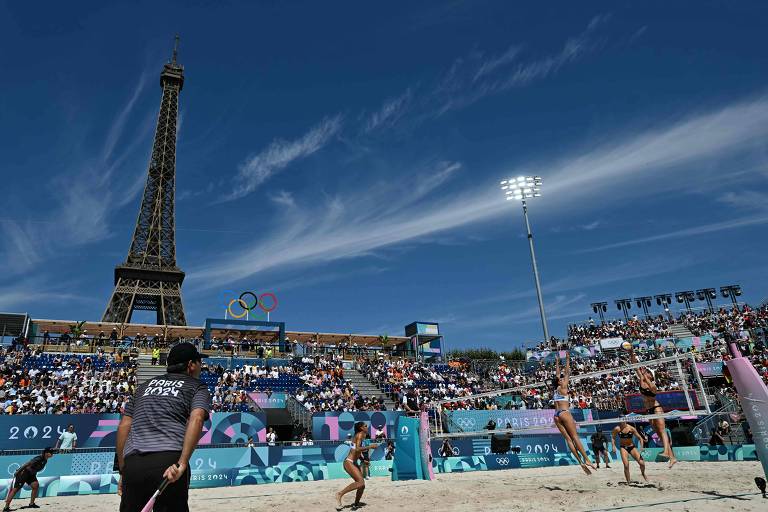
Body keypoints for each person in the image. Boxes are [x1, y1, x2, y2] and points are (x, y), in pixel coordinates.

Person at [116, 342, 211, 512]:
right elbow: (196, 419)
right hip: (169, 463)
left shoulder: (143, 387)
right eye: (199, 362)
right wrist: (182, 463)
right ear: (191, 365)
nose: (201, 367)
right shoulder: (197, 386)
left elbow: (124, 425)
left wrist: (123, 470)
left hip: (134, 462)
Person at [630, 348, 677, 467]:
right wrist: (631, 353)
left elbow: (652, 388)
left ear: (651, 376)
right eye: (645, 372)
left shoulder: (653, 385)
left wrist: (646, 375)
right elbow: (635, 365)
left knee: (662, 431)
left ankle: (666, 452)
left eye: (648, 372)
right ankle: (672, 458)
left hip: (656, 408)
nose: (645, 372)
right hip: (649, 410)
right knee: (659, 433)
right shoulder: (641, 379)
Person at [552, 354, 595, 475]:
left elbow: (558, 374)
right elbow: (566, 372)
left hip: (556, 415)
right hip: (565, 413)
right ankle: (587, 459)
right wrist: (567, 359)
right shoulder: (563, 387)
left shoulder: (555, 389)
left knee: (568, 439)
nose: (561, 378)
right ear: (560, 381)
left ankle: (580, 461)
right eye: (560, 379)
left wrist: (556, 362)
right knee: (575, 437)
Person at [335, 422, 379, 511]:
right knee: (360, 482)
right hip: (349, 462)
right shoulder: (359, 435)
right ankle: (340, 494)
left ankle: (356, 504)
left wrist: (363, 460)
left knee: (362, 486)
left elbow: (355, 451)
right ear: (361, 428)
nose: (367, 427)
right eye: (365, 426)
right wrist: (371, 446)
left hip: (353, 462)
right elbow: (358, 449)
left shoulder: (360, 436)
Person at [3, 447, 55, 511]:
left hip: (31, 475)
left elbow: (35, 468)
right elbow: (27, 464)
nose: (52, 454)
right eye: (51, 453)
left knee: (35, 485)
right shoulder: (39, 458)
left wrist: (33, 473)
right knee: (15, 490)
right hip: (24, 473)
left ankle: (31, 504)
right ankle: (6, 507)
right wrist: (18, 471)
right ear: (46, 453)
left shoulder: (45, 460)